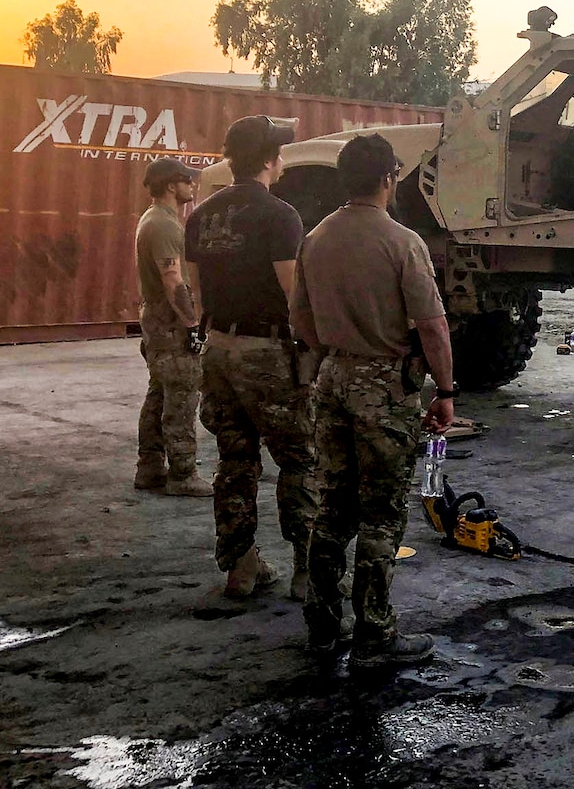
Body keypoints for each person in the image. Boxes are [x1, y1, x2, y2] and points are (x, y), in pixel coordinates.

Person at [291, 133, 456, 669]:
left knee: (331, 506)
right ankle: (375, 633)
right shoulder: (402, 242)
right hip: (384, 386)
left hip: (332, 377)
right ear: (389, 178)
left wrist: (337, 349)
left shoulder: (314, 238)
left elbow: (299, 321)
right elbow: (431, 326)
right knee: (381, 512)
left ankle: (321, 627)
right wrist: (446, 391)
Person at [184, 115, 318, 601]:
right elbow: (294, 294)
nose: (283, 159)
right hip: (266, 353)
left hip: (218, 349)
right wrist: (311, 351)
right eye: (279, 151)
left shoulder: (200, 216)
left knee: (235, 461)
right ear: (267, 159)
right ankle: (307, 569)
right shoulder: (280, 215)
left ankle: (241, 568)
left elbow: (198, 295)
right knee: (299, 460)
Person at [134, 158, 211, 497]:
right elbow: (172, 279)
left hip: (156, 320)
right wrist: (193, 325)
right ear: (170, 185)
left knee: (159, 393)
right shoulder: (164, 225)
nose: (192, 185)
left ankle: (149, 467)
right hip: (169, 323)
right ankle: (183, 474)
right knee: (181, 394)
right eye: (186, 180)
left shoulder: (154, 220)